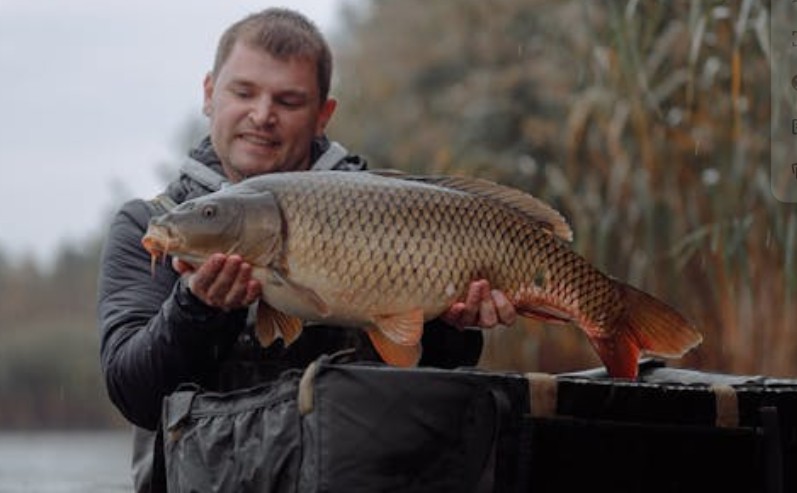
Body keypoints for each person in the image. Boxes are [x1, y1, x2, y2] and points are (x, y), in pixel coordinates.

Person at [97, 8, 516, 492]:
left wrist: (455, 326)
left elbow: (433, 377)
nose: (262, 115)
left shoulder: (382, 208)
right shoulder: (151, 224)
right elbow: (135, 394)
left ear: (323, 115)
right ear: (210, 94)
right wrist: (197, 309)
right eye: (244, 92)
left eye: (288, 100)